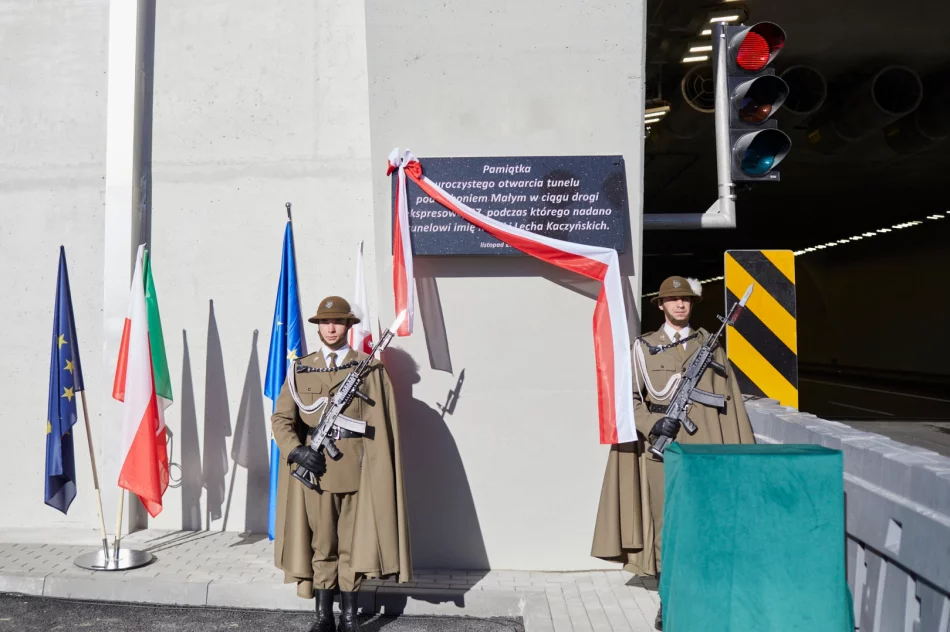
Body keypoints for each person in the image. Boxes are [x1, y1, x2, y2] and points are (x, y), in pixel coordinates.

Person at [591, 276, 755, 630]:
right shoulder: (642, 348)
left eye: (686, 300)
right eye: (672, 300)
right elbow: (630, 401)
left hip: (705, 453)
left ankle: (702, 596)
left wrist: (741, 455)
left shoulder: (710, 348)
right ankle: (670, 600)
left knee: (704, 525)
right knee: (668, 528)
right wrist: (653, 424)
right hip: (662, 454)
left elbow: (730, 404)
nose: (680, 305)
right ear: (661, 305)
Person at [271, 296, 412, 632]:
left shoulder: (369, 369)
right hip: (315, 473)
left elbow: (381, 426)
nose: (330, 327)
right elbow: (281, 419)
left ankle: (349, 616)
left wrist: (376, 472)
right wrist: (296, 451)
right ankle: (323, 617)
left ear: (349, 326)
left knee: (352, 544)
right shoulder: (301, 368)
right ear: (318, 327)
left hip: (357, 472)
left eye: (337, 322)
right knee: (322, 545)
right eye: (324, 322)